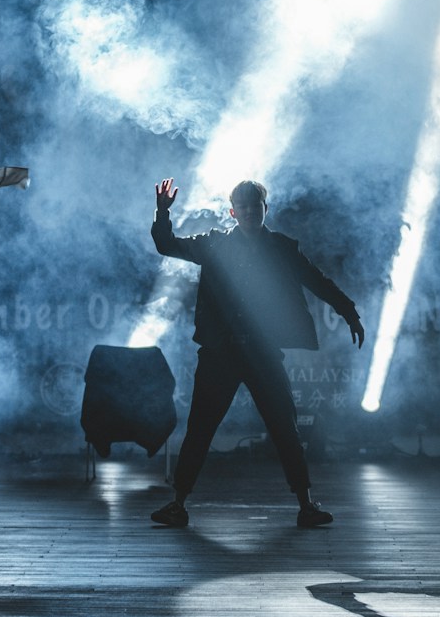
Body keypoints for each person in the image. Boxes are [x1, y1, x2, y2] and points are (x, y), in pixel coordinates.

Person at [148, 177, 365, 528]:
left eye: (256, 206)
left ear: (265, 209)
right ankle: (178, 504)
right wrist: (161, 212)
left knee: (285, 427)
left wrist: (348, 311)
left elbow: (317, 280)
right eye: (243, 207)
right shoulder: (214, 245)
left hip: (263, 352)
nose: (250, 212)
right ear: (233, 212)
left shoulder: (282, 248)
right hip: (221, 353)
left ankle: (306, 505)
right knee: (200, 428)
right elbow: (166, 245)